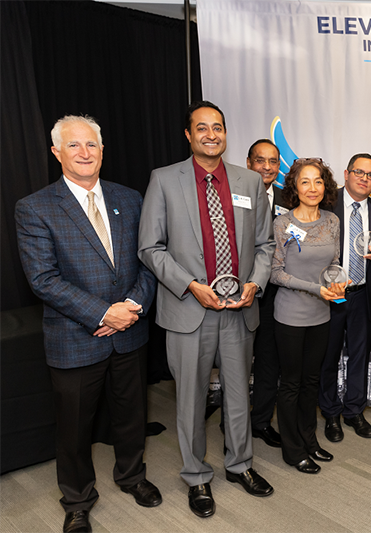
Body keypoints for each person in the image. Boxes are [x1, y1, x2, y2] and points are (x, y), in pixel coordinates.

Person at [16, 115, 160, 533]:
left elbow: (148, 260)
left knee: (132, 415)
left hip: (130, 331)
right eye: (74, 146)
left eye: (92, 145)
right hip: (75, 339)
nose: (84, 153)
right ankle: (78, 499)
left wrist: (132, 305)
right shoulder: (35, 207)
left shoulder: (130, 198)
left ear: (102, 150)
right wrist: (103, 313)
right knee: (74, 428)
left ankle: (132, 476)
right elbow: (43, 279)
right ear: (56, 152)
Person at [138, 101, 276, 518]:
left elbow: (265, 246)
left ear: (226, 133)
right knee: (191, 401)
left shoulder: (249, 182)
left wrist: (254, 283)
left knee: (238, 394)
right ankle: (196, 476)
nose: (211, 134)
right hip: (188, 309)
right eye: (202, 128)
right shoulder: (164, 180)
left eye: (218, 127)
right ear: (188, 134)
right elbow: (150, 248)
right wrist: (191, 286)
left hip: (239, 309)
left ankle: (240, 465)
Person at [270, 158, 342, 474]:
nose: (312, 188)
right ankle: (293, 449)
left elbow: (334, 263)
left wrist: (338, 280)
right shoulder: (283, 224)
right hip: (289, 316)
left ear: (325, 186)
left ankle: (310, 440)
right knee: (291, 384)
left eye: (318, 181)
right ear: (294, 188)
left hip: (321, 315)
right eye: (305, 182)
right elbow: (275, 273)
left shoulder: (331, 221)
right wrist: (315, 288)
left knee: (312, 382)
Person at [319, 153, 371, 442]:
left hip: (362, 295)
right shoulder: (326, 205)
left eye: (370, 175)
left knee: (360, 355)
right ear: (346, 173)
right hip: (331, 295)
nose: (364, 178)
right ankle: (331, 412)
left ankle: (354, 410)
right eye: (359, 172)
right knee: (328, 355)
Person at [247, 138, 287, 448]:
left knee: (269, 362)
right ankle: (230, 424)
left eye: (273, 161)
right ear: (249, 163)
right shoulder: (234, 195)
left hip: (276, 295)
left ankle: (260, 422)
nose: (267, 167)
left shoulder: (288, 197)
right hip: (241, 291)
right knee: (236, 362)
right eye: (260, 160)